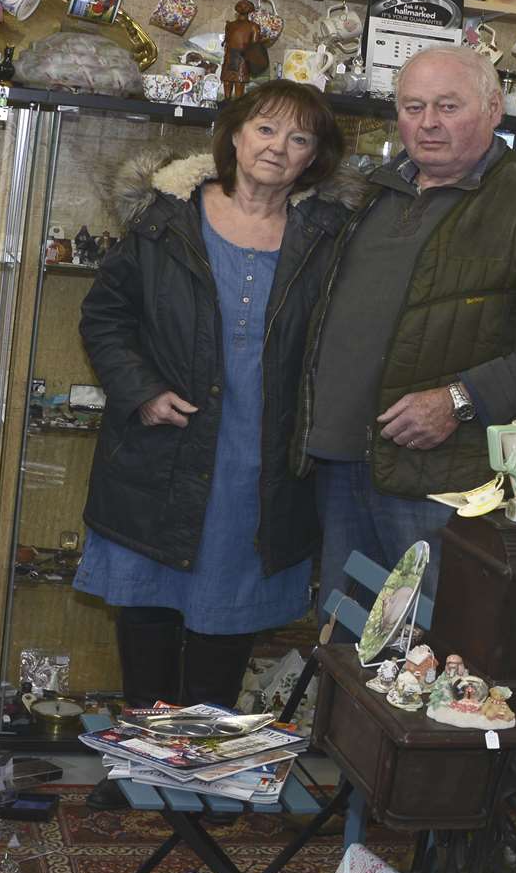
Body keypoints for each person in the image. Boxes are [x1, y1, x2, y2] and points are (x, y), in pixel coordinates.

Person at [77, 81, 362, 750]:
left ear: (312, 159)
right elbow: (105, 317)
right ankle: (145, 767)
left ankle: (203, 770)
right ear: (234, 135)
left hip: (259, 465)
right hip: (162, 451)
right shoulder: (165, 220)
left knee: (226, 621)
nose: (278, 148)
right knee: (147, 613)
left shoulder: (329, 239)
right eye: (266, 130)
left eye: (299, 139)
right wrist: (140, 390)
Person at [298, 45, 516, 606]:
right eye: (413, 107)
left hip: (441, 480)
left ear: (494, 108)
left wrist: (460, 398)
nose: (429, 123)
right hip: (343, 465)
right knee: (346, 638)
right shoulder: (375, 193)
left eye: (448, 106)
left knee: (428, 651)